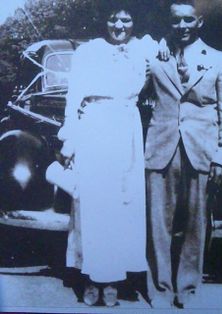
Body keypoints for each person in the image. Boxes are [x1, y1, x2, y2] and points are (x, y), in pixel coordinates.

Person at [58, 3, 167, 307]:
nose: (119, 26)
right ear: (103, 21)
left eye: (126, 19)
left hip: (126, 130)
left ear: (135, 21)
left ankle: (114, 280)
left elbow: (167, 51)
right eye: (113, 19)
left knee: (123, 204)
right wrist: (70, 139)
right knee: (94, 203)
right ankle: (92, 276)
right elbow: (74, 98)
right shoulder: (88, 52)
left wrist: (163, 51)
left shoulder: (145, 48)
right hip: (94, 126)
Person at [145, 0, 222, 308]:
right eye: (176, 21)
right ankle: (160, 289)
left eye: (188, 20)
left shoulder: (220, 60)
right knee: (158, 223)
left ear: (199, 23)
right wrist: (156, 44)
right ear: (169, 23)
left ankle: (188, 290)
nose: (182, 27)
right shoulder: (155, 55)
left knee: (197, 224)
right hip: (161, 147)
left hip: (202, 150)